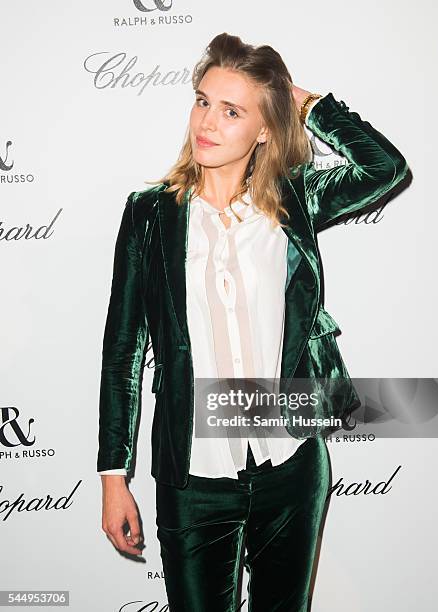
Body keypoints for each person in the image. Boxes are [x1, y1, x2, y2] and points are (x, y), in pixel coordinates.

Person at [97, 32, 409, 611]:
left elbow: (384, 167)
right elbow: (122, 353)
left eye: (232, 110)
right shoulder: (150, 216)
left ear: (265, 127)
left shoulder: (292, 203)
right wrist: (114, 475)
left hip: (291, 462)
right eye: (202, 100)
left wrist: (311, 104)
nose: (207, 122)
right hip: (193, 476)